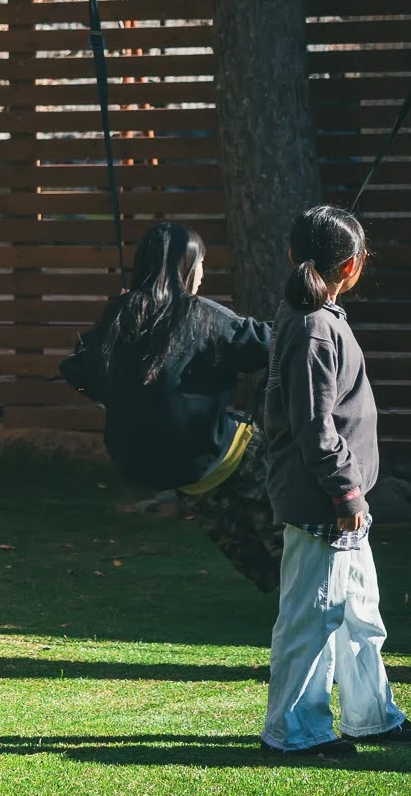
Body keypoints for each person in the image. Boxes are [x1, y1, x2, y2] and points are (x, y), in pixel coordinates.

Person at [258, 204, 411, 760]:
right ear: (353, 267)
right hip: (324, 501)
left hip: (339, 501)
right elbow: (315, 426)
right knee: (312, 617)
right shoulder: (313, 328)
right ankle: (295, 732)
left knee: (360, 613)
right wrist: (346, 490)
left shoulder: (320, 319)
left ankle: (370, 716)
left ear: (292, 256)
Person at [60, 222, 282, 590]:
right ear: (188, 268)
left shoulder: (117, 319)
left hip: (153, 467)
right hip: (215, 454)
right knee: (287, 529)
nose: (203, 276)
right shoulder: (203, 316)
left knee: (250, 552)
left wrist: (120, 395)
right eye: (201, 266)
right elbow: (270, 345)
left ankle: (271, 579)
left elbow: (75, 369)